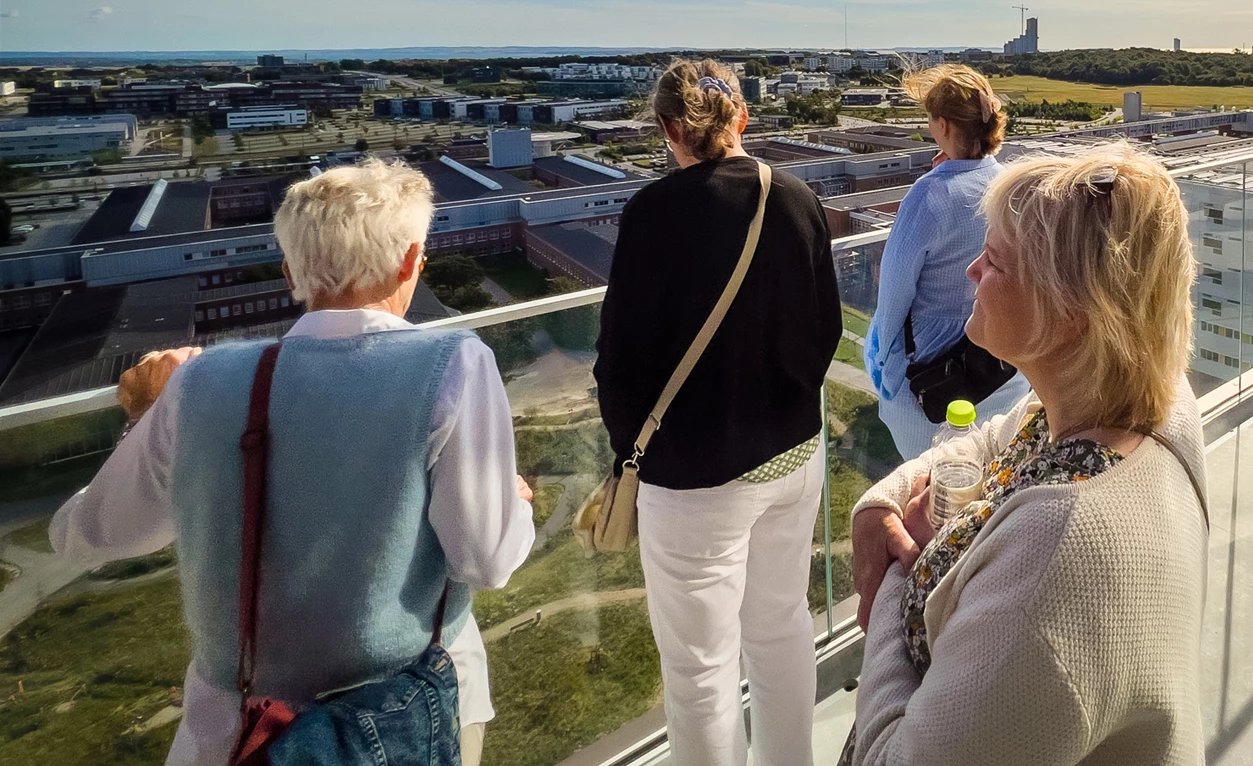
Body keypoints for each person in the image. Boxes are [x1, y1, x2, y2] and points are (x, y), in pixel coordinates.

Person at [50, 159, 535, 766]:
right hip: (405, 718)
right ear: (411, 261)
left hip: (241, 731)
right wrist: (513, 506)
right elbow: (487, 561)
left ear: (289, 273)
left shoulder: (200, 382)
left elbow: (86, 534)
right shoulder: (455, 364)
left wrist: (145, 420)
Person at [846, 145, 1208, 765]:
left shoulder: (1056, 557)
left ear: (1072, 310)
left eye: (994, 260)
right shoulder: (1144, 404)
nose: (972, 271)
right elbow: (993, 438)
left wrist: (899, 573)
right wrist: (882, 502)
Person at [596, 60, 842, 766]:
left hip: (694, 477)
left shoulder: (651, 212)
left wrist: (631, 448)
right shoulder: (794, 196)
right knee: (782, 626)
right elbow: (825, 329)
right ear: (743, 118)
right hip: (793, 456)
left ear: (667, 128)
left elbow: (621, 357)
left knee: (701, 669)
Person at [866, 64, 1032, 458]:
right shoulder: (1011, 185)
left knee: (936, 482)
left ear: (942, 125)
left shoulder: (929, 196)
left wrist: (884, 369)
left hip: (935, 379)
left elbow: (894, 296)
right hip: (1001, 368)